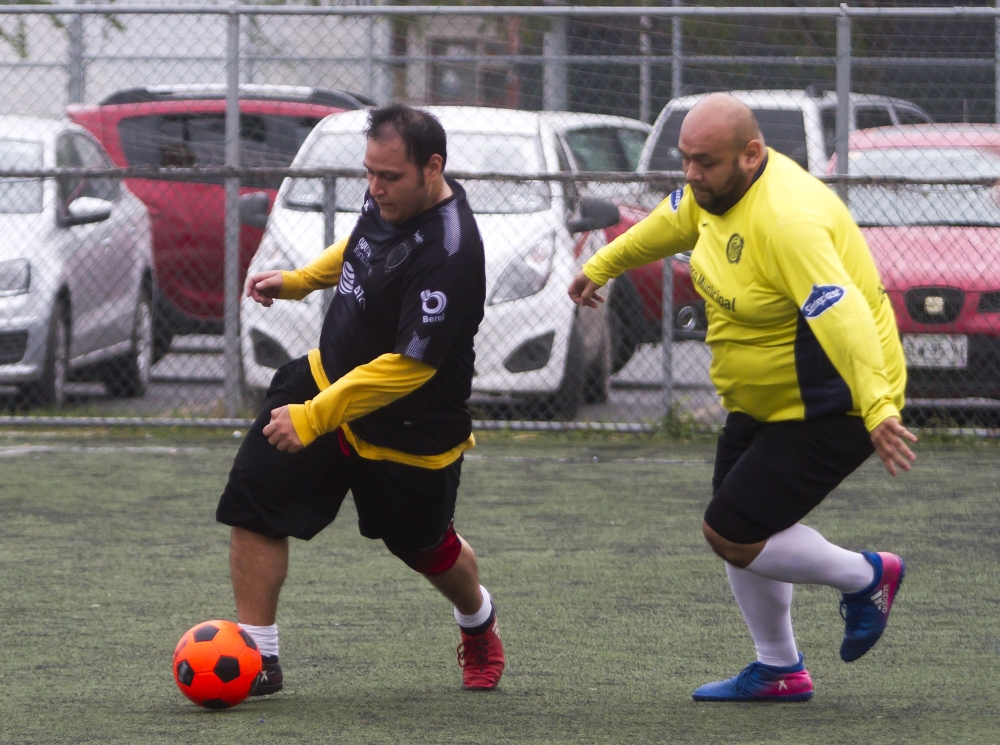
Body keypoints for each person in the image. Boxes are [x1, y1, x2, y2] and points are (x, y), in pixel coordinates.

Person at [568, 94, 916, 702]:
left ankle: (868, 577)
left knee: (732, 528)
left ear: (751, 155)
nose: (691, 174)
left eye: (704, 162)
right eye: (685, 160)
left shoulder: (787, 219)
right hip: (764, 400)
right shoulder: (712, 193)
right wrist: (602, 264)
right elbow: (665, 221)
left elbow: (844, 314)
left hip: (835, 400)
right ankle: (780, 668)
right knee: (738, 523)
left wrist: (879, 404)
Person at [217, 105, 504, 693]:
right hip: (323, 382)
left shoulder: (451, 251)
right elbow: (362, 245)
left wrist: (315, 418)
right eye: (368, 173)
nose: (374, 188)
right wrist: (300, 280)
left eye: (388, 177)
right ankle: (258, 659)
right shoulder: (388, 195)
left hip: (410, 430)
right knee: (254, 498)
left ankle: (478, 621)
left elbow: (408, 367)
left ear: (433, 167)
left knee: (425, 548)